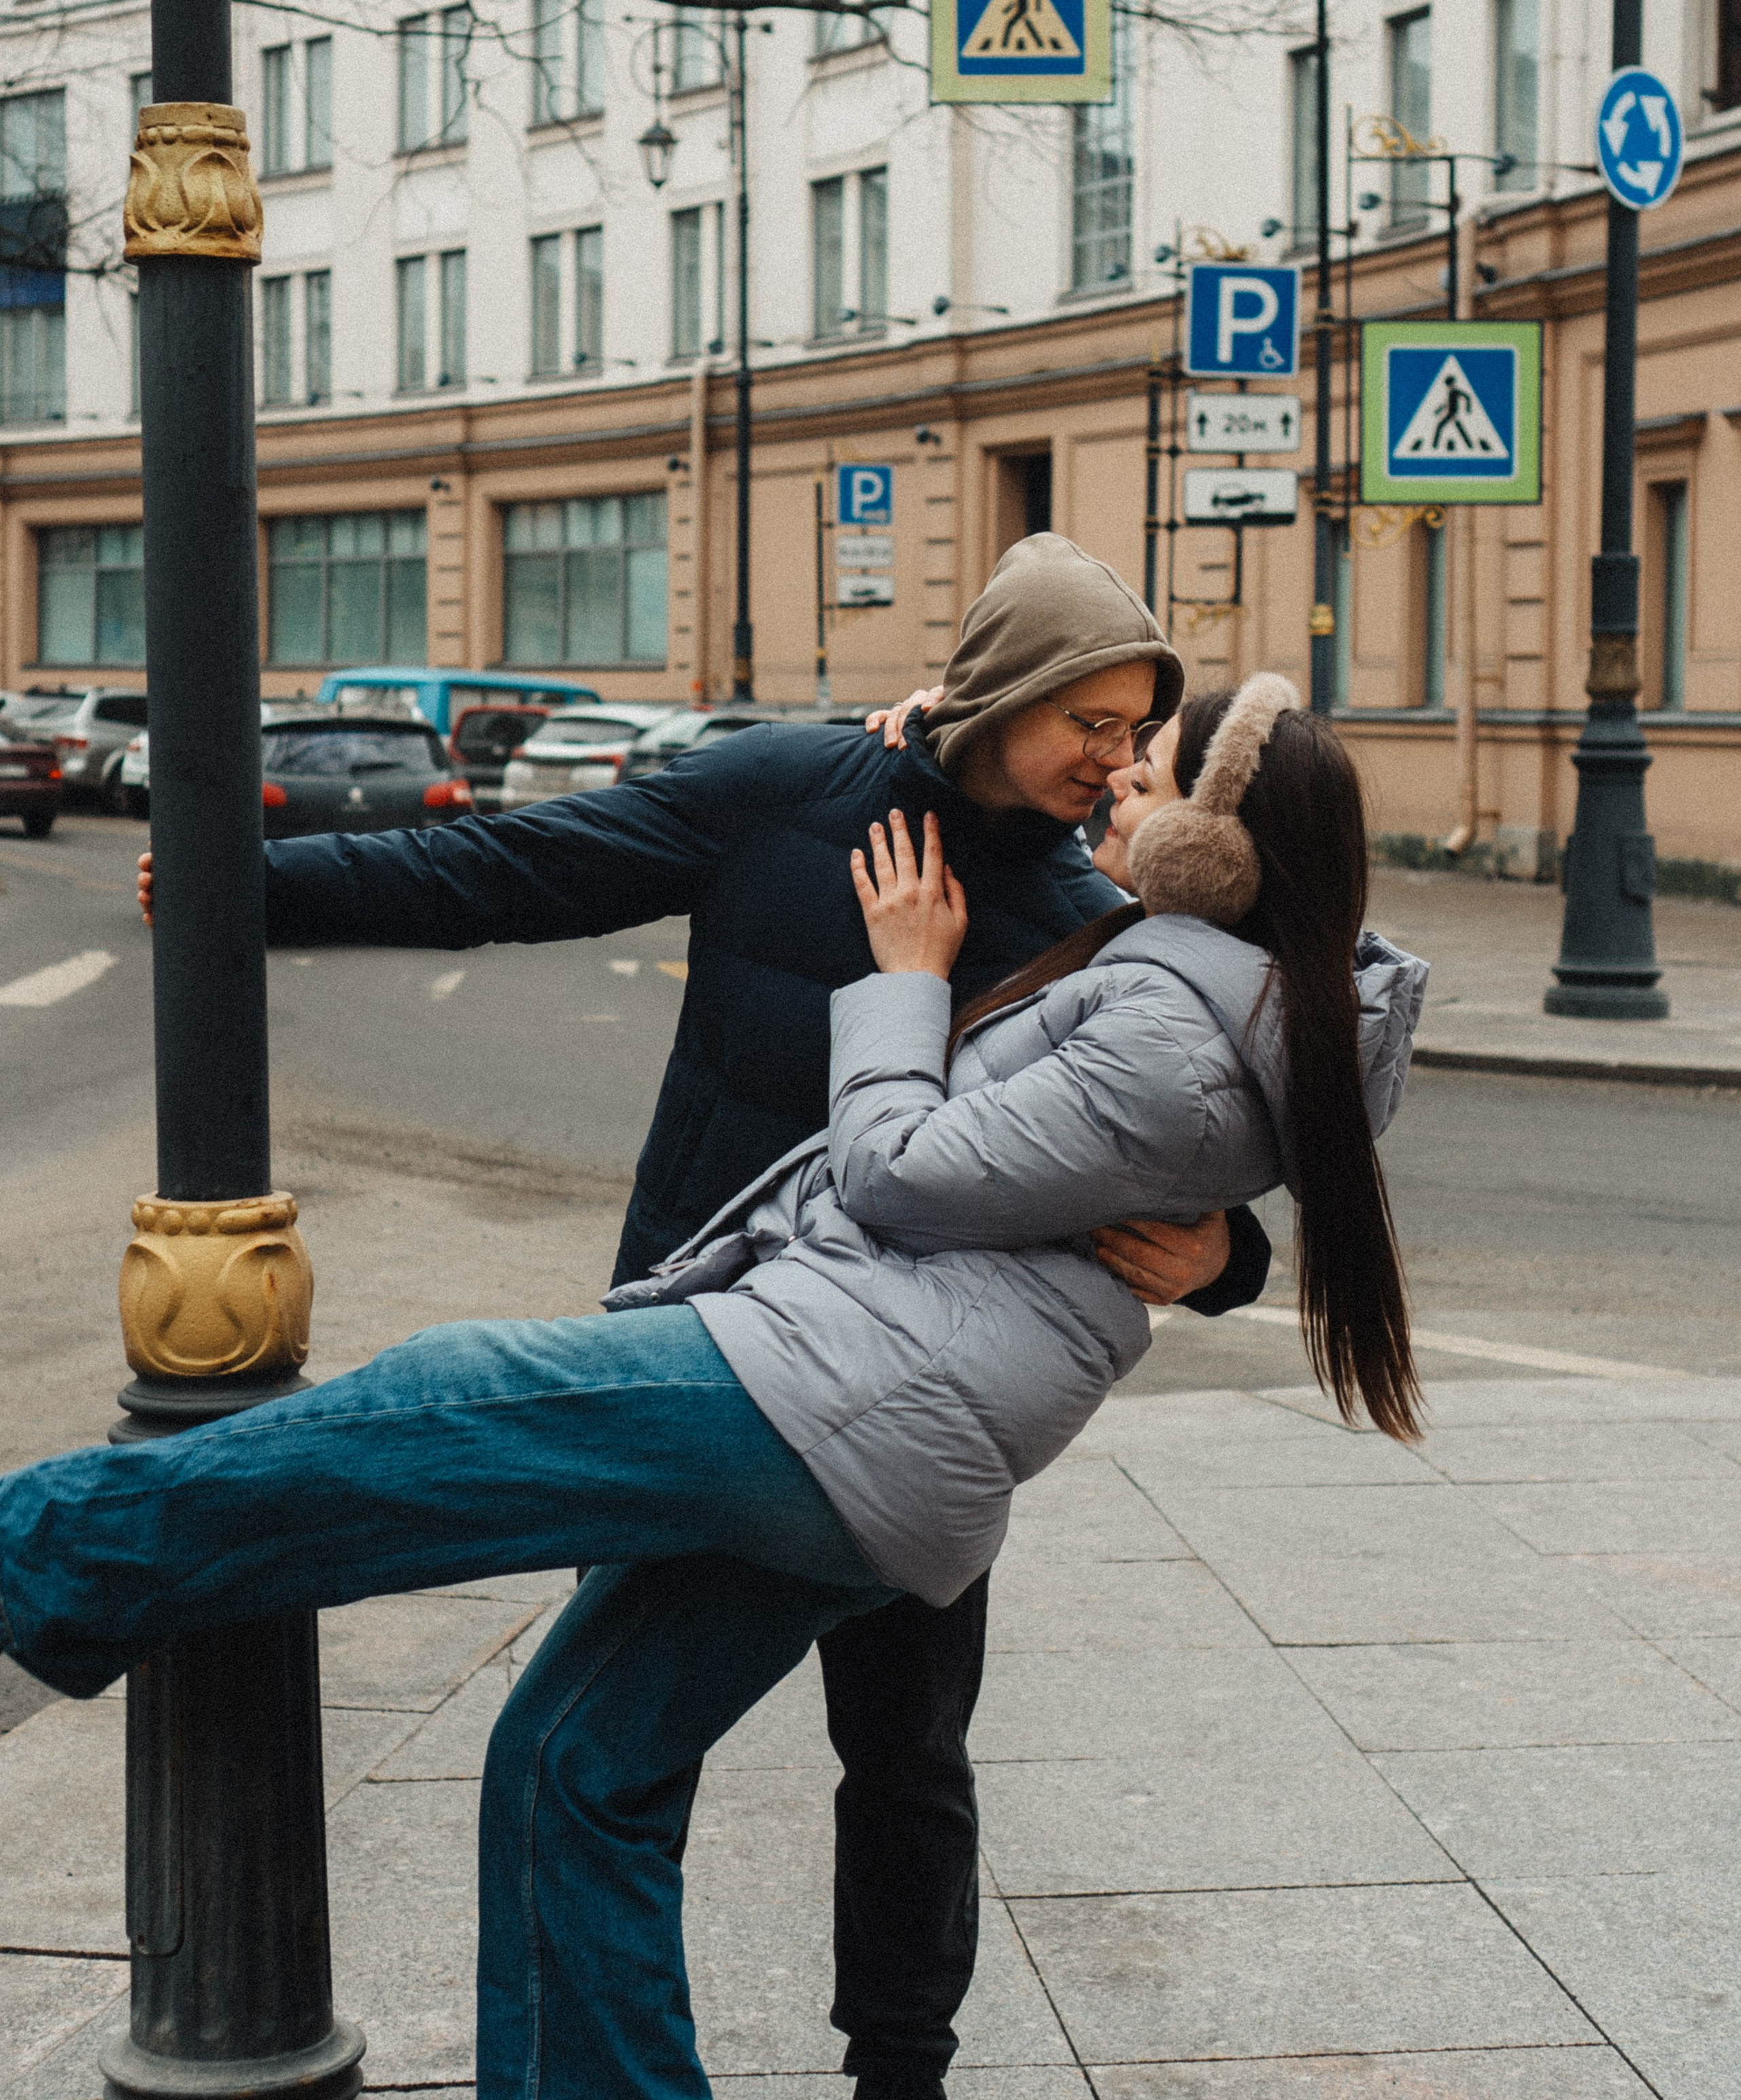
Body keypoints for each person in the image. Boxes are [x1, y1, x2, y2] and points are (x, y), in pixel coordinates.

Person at [7, 671, 1424, 2100]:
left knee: (466, 1399)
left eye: (1145, 757)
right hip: (837, 1381)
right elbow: (523, 862)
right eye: (1096, 729)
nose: (1116, 772)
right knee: (575, 1765)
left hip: (835, 1387)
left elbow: (919, 1166)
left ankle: (40, 1556)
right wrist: (250, 887)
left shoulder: (1126, 951)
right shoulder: (992, 870)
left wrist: (909, 983)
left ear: (1216, 854)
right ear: (998, 698)